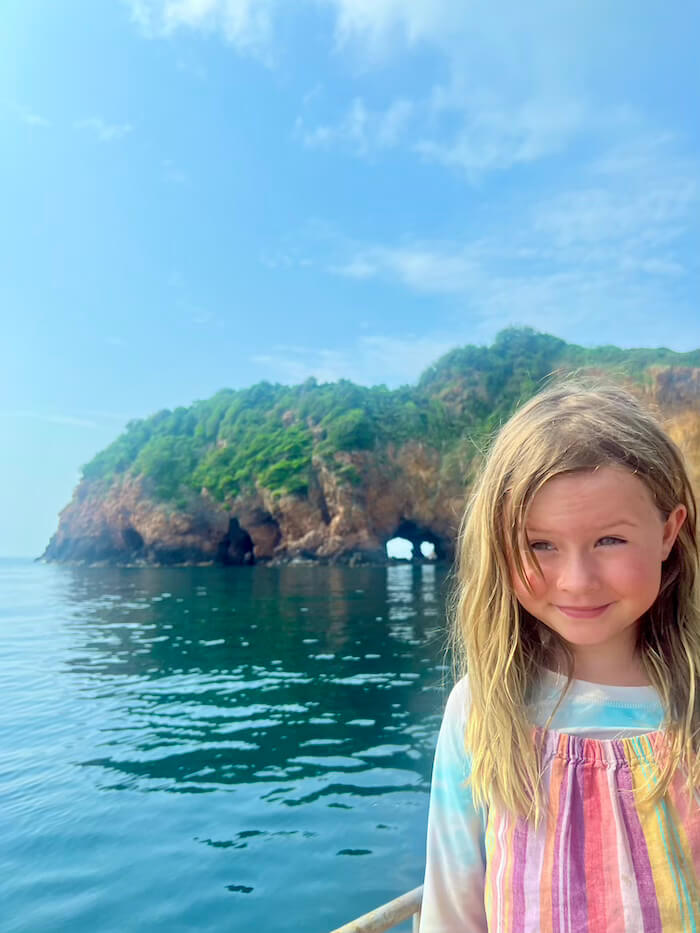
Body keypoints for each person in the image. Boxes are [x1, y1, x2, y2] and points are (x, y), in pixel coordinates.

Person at [419, 379, 700, 932]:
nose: (577, 581)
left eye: (610, 541)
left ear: (668, 534)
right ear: (501, 545)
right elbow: (452, 909)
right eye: (540, 545)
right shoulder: (482, 709)